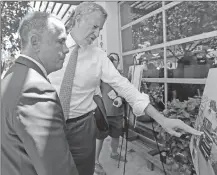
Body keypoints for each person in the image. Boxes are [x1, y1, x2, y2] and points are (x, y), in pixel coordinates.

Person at [48, 2, 202, 175]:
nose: (97, 34)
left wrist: (162, 119)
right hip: (48, 125)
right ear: (78, 19)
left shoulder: (98, 56)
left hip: (82, 128)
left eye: (100, 29)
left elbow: (125, 87)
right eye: (95, 27)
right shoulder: (49, 47)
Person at [1, 12, 79, 175]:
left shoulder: (12, 76)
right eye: (61, 41)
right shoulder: (35, 90)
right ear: (35, 42)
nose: (66, 50)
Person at [94, 53, 126, 175]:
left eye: (114, 59)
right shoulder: (101, 76)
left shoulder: (121, 77)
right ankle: (95, 162)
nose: (112, 61)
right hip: (104, 113)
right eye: (110, 59)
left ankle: (114, 153)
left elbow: (125, 92)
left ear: (118, 62)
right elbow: (95, 93)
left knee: (116, 135)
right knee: (100, 137)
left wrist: (121, 98)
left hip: (118, 113)